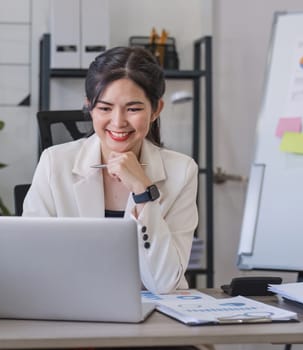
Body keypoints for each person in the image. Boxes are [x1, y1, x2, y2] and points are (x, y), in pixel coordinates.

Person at [22, 46, 198, 294]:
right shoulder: (54, 163)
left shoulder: (182, 171)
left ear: (156, 109)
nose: (118, 122)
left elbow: (164, 283)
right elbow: (30, 262)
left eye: (133, 109)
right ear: (90, 108)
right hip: (72, 307)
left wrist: (143, 192)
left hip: (152, 315)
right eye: (105, 108)